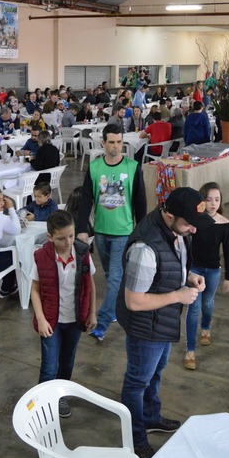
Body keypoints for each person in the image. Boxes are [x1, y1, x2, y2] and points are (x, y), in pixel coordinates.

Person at [116, 187, 213, 458]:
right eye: (188, 224)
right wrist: (178, 295)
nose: (193, 230)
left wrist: (189, 276)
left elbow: (170, 262)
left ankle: (150, 418)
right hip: (145, 326)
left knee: (155, 373)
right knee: (137, 382)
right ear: (169, 215)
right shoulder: (144, 248)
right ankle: (135, 440)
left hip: (164, 320)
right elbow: (134, 301)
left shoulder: (175, 228)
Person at [77, 123, 146, 343]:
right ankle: (116, 308)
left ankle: (102, 321)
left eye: (119, 142)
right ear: (103, 143)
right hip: (100, 231)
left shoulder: (133, 167)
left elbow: (140, 202)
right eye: (112, 142)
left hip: (124, 232)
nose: (116, 147)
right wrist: (81, 230)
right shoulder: (95, 167)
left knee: (115, 278)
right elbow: (86, 199)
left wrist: (141, 232)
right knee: (109, 276)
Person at [30, 210, 97, 418]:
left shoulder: (83, 253)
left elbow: (90, 285)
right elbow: (35, 289)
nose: (68, 242)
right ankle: (43, 404)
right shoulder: (41, 257)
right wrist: (40, 319)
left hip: (75, 320)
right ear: (50, 237)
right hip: (51, 321)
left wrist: (92, 313)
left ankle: (60, 398)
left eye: (71, 235)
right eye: (61, 238)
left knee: (67, 362)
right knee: (49, 366)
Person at [183, 182, 229, 371]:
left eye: (217, 199)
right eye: (209, 199)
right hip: (194, 270)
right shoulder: (194, 222)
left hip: (213, 271)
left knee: (207, 304)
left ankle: (206, 327)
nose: (213, 203)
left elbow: (227, 252)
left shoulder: (225, 225)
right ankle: (190, 350)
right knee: (193, 308)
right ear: (202, 201)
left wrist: (228, 277)